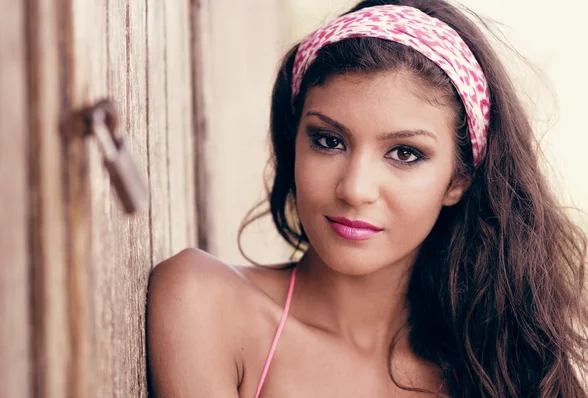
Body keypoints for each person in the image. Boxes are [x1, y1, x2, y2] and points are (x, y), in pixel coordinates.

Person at [146, 0, 588, 396]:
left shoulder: (502, 373)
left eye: (404, 153)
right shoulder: (205, 302)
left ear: (459, 179)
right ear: (292, 141)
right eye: (328, 141)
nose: (355, 189)